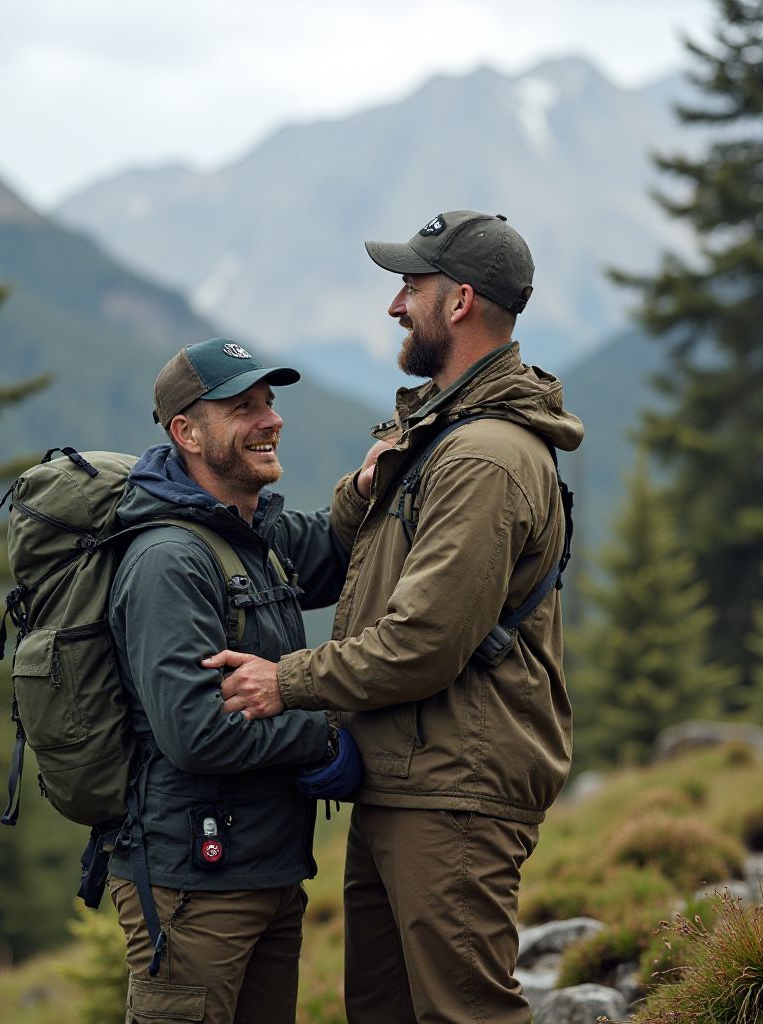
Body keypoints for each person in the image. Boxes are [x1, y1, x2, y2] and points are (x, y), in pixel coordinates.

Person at [205, 211, 585, 1024]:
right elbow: (373, 563)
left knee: (464, 1013)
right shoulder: (444, 436)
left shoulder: (483, 458)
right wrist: (364, 488)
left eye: (410, 287)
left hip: (454, 788)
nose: (394, 306)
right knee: (385, 1009)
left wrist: (286, 682)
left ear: (460, 302)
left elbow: (424, 642)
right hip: (410, 779)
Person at [106, 337, 373, 1024]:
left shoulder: (254, 537)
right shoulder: (169, 560)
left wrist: (370, 485)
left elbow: (338, 548)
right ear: (187, 433)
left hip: (268, 871)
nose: (270, 419)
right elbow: (197, 734)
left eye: (269, 402)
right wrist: (325, 730)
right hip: (195, 887)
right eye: (242, 407)